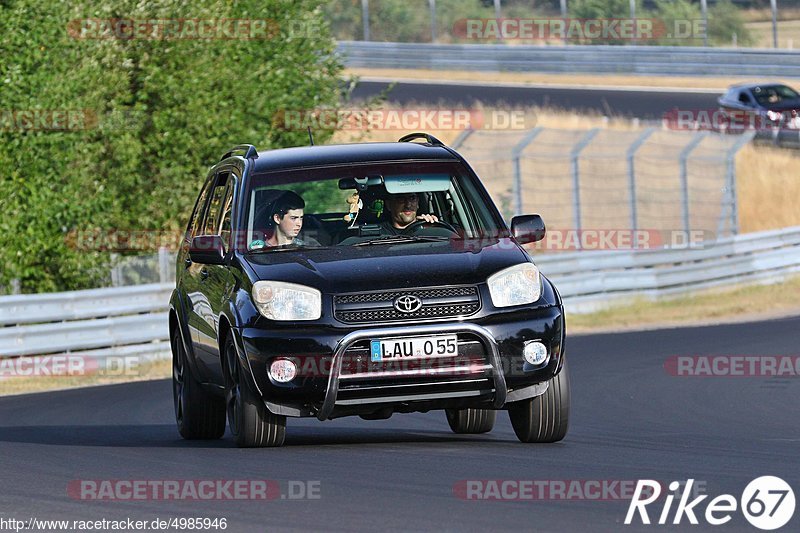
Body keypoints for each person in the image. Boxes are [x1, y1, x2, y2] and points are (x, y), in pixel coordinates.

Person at [250, 191, 319, 249]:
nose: (299, 224)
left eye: (301, 218)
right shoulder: (258, 249)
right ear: (277, 218)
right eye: (293, 218)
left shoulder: (310, 245)